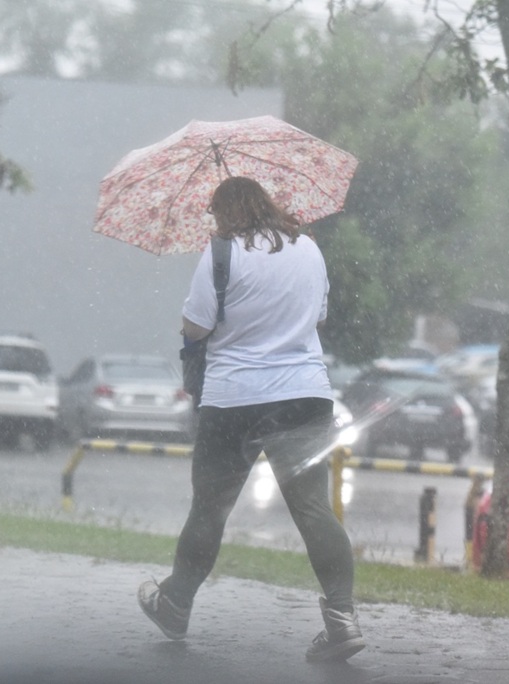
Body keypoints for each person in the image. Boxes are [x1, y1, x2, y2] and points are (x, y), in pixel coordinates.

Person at [137, 176, 364, 662]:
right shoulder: (308, 248)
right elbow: (318, 317)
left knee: (210, 507)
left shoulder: (221, 253)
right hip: (303, 394)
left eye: (215, 211)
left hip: (233, 399)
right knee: (312, 509)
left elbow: (197, 326)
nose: (214, 221)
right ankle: (343, 619)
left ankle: (175, 603)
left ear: (227, 211)